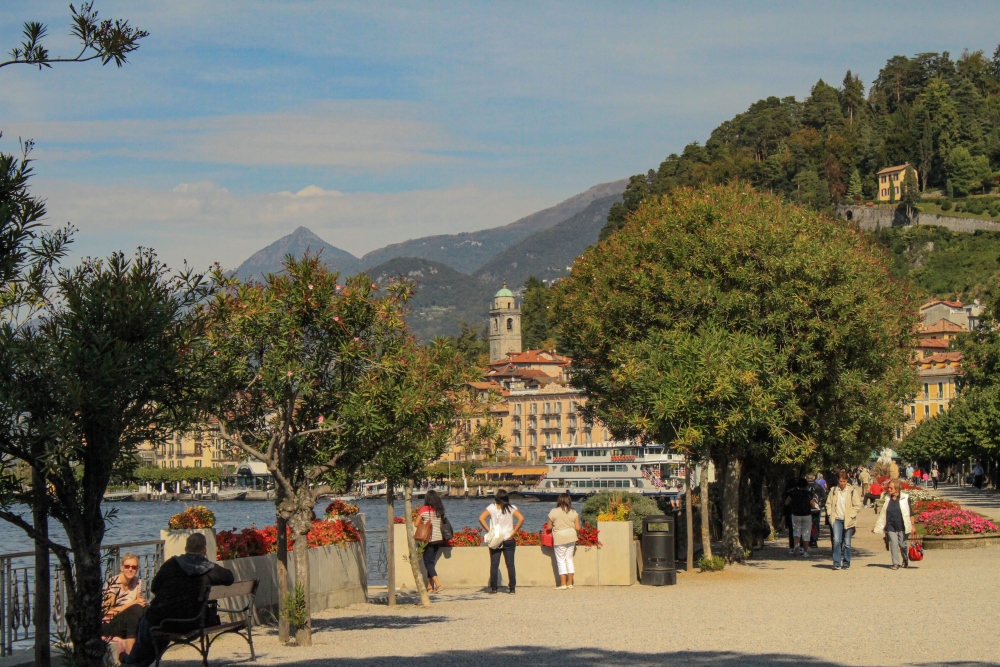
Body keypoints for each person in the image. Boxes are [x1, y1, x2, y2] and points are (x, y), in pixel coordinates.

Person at [122, 533, 235, 667]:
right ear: (204, 550)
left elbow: (154, 587)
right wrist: (209, 564)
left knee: (149, 619)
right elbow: (229, 578)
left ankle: (133, 661)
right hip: (192, 622)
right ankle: (137, 662)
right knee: (156, 620)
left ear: (186, 548)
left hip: (164, 621)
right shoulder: (209, 570)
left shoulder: (171, 564)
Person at [478, 489, 524, 594]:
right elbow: (521, 518)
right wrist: (513, 533)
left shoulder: (492, 507)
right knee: (510, 564)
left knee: (494, 564)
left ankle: (494, 588)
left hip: (496, 539)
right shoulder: (511, 508)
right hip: (508, 538)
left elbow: (481, 518)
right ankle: (512, 588)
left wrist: (489, 531)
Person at [102, 554, 146, 653]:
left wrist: (142, 602)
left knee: (146, 609)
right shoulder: (114, 583)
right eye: (127, 566)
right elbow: (106, 611)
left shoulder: (137, 581)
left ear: (137, 569)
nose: (130, 569)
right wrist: (132, 604)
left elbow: (138, 603)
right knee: (136, 609)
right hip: (110, 624)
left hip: (129, 621)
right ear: (122, 568)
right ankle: (130, 654)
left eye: (134, 567)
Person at [873, 479, 916, 570]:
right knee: (893, 543)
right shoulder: (887, 498)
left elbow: (910, 513)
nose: (889, 489)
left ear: (897, 488)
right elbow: (883, 514)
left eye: (891, 487)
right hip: (890, 525)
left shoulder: (905, 497)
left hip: (902, 525)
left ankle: (905, 559)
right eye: (888, 487)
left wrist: (913, 525)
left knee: (902, 544)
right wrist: (877, 526)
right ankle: (895, 563)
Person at [824, 470, 863, 570]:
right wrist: (829, 514)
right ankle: (836, 562)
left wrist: (852, 514)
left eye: (844, 481)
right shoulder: (833, 491)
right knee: (836, 541)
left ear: (847, 481)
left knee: (847, 543)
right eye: (841, 481)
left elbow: (857, 505)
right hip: (836, 518)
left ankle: (846, 562)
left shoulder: (852, 491)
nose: (842, 484)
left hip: (848, 520)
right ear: (838, 481)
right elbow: (828, 504)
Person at [547, 493, 581, 590]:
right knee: (569, 559)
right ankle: (570, 583)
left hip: (559, 537)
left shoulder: (553, 512)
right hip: (571, 537)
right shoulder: (574, 512)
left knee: (561, 560)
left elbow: (549, 527)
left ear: (559, 500)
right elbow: (578, 528)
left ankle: (563, 584)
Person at [416, 489, 447, 593]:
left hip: (429, 539)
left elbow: (416, 524)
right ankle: (430, 586)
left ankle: (438, 585)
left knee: (427, 562)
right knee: (431, 562)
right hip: (439, 538)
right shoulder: (439, 509)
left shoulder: (423, 509)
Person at [783, 477, 814, 557]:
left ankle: (796, 545)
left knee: (796, 530)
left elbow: (786, 503)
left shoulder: (792, 492)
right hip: (807, 514)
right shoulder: (809, 493)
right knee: (806, 532)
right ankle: (805, 552)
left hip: (795, 514)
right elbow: (813, 504)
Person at [806, 474, 826, 549]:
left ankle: (807, 540)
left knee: (806, 524)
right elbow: (824, 497)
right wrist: (821, 504)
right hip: (816, 509)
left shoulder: (805, 487)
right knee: (816, 524)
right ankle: (814, 540)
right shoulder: (818, 486)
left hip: (806, 508)